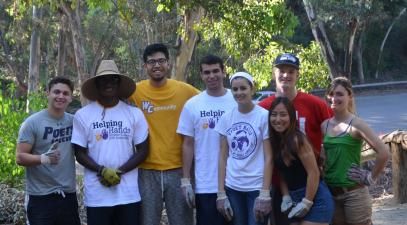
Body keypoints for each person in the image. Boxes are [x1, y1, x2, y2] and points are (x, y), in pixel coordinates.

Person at [128, 43, 199, 225]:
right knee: (147, 221)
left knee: (182, 221)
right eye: (151, 62)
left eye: (161, 61)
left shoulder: (186, 91)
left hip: (179, 170)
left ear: (168, 64)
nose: (157, 65)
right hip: (146, 170)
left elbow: (210, 102)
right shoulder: (135, 91)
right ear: (145, 66)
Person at [71, 60, 149, 225]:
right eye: (103, 79)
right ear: (96, 84)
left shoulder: (134, 114)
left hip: (128, 193)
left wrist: (120, 171)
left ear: (119, 83)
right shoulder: (83, 115)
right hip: (97, 195)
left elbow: (143, 150)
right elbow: (79, 152)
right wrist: (102, 170)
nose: (108, 83)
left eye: (113, 79)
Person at [258, 53, 333, 225]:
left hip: (312, 185)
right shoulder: (263, 108)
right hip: (282, 188)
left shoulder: (316, 104)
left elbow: (332, 137)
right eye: (281, 70)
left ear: (297, 75)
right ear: (273, 73)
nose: (286, 75)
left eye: (291, 71)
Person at [321, 77, 389, 225]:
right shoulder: (324, 126)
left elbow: (384, 152)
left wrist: (371, 177)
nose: (334, 98)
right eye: (331, 94)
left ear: (350, 96)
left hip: (354, 195)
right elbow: (326, 157)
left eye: (339, 94)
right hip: (332, 194)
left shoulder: (356, 124)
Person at [176, 54, 235, 225]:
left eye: (216, 71)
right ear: (201, 75)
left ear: (224, 72)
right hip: (206, 184)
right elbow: (187, 145)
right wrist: (186, 180)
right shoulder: (193, 105)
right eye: (207, 72)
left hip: (237, 181)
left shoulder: (237, 100)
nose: (212, 76)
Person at [16, 76, 81, 225]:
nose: (60, 96)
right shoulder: (32, 123)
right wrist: (43, 158)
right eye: (56, 92)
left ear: (71, 98)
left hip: (68, 196)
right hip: (40, 197)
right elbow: (19, 157)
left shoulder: (74, 122)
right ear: (48, 93)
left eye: (65, 93)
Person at [215, 72, 272, 225]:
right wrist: (221, 193)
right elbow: (222, 157)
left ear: (252, 89)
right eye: (235, 89)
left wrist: (265, 192)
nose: (239, 93)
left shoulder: (264, 116)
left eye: (243, 88)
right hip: (233, 187)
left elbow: (269, 157)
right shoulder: (226, 118)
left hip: (256, 187)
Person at [269, 96, 334, 225]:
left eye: (283, 115)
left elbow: (313, 172)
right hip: (293, 199)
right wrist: (286, 196)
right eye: (274, 115)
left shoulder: (297, 140)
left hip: (316, 198)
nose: (278, 119)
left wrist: (307, 202)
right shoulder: (276, 141)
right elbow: (282, 173)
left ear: (292, 117)